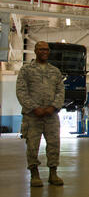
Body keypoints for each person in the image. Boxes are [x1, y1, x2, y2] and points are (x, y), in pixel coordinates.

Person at [16, 41, 65, 187]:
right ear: (35, 51)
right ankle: (34, 174)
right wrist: (33, 108)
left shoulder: (55, 71)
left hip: (51, 116)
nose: (44, 51)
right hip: (32, 116)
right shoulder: (26, 70)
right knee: (32, 146)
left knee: (54, 144)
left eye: (46, 49)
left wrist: (54, 107)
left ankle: (53, 173)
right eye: (41, 49)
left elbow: (60, 91)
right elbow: (21, 91)